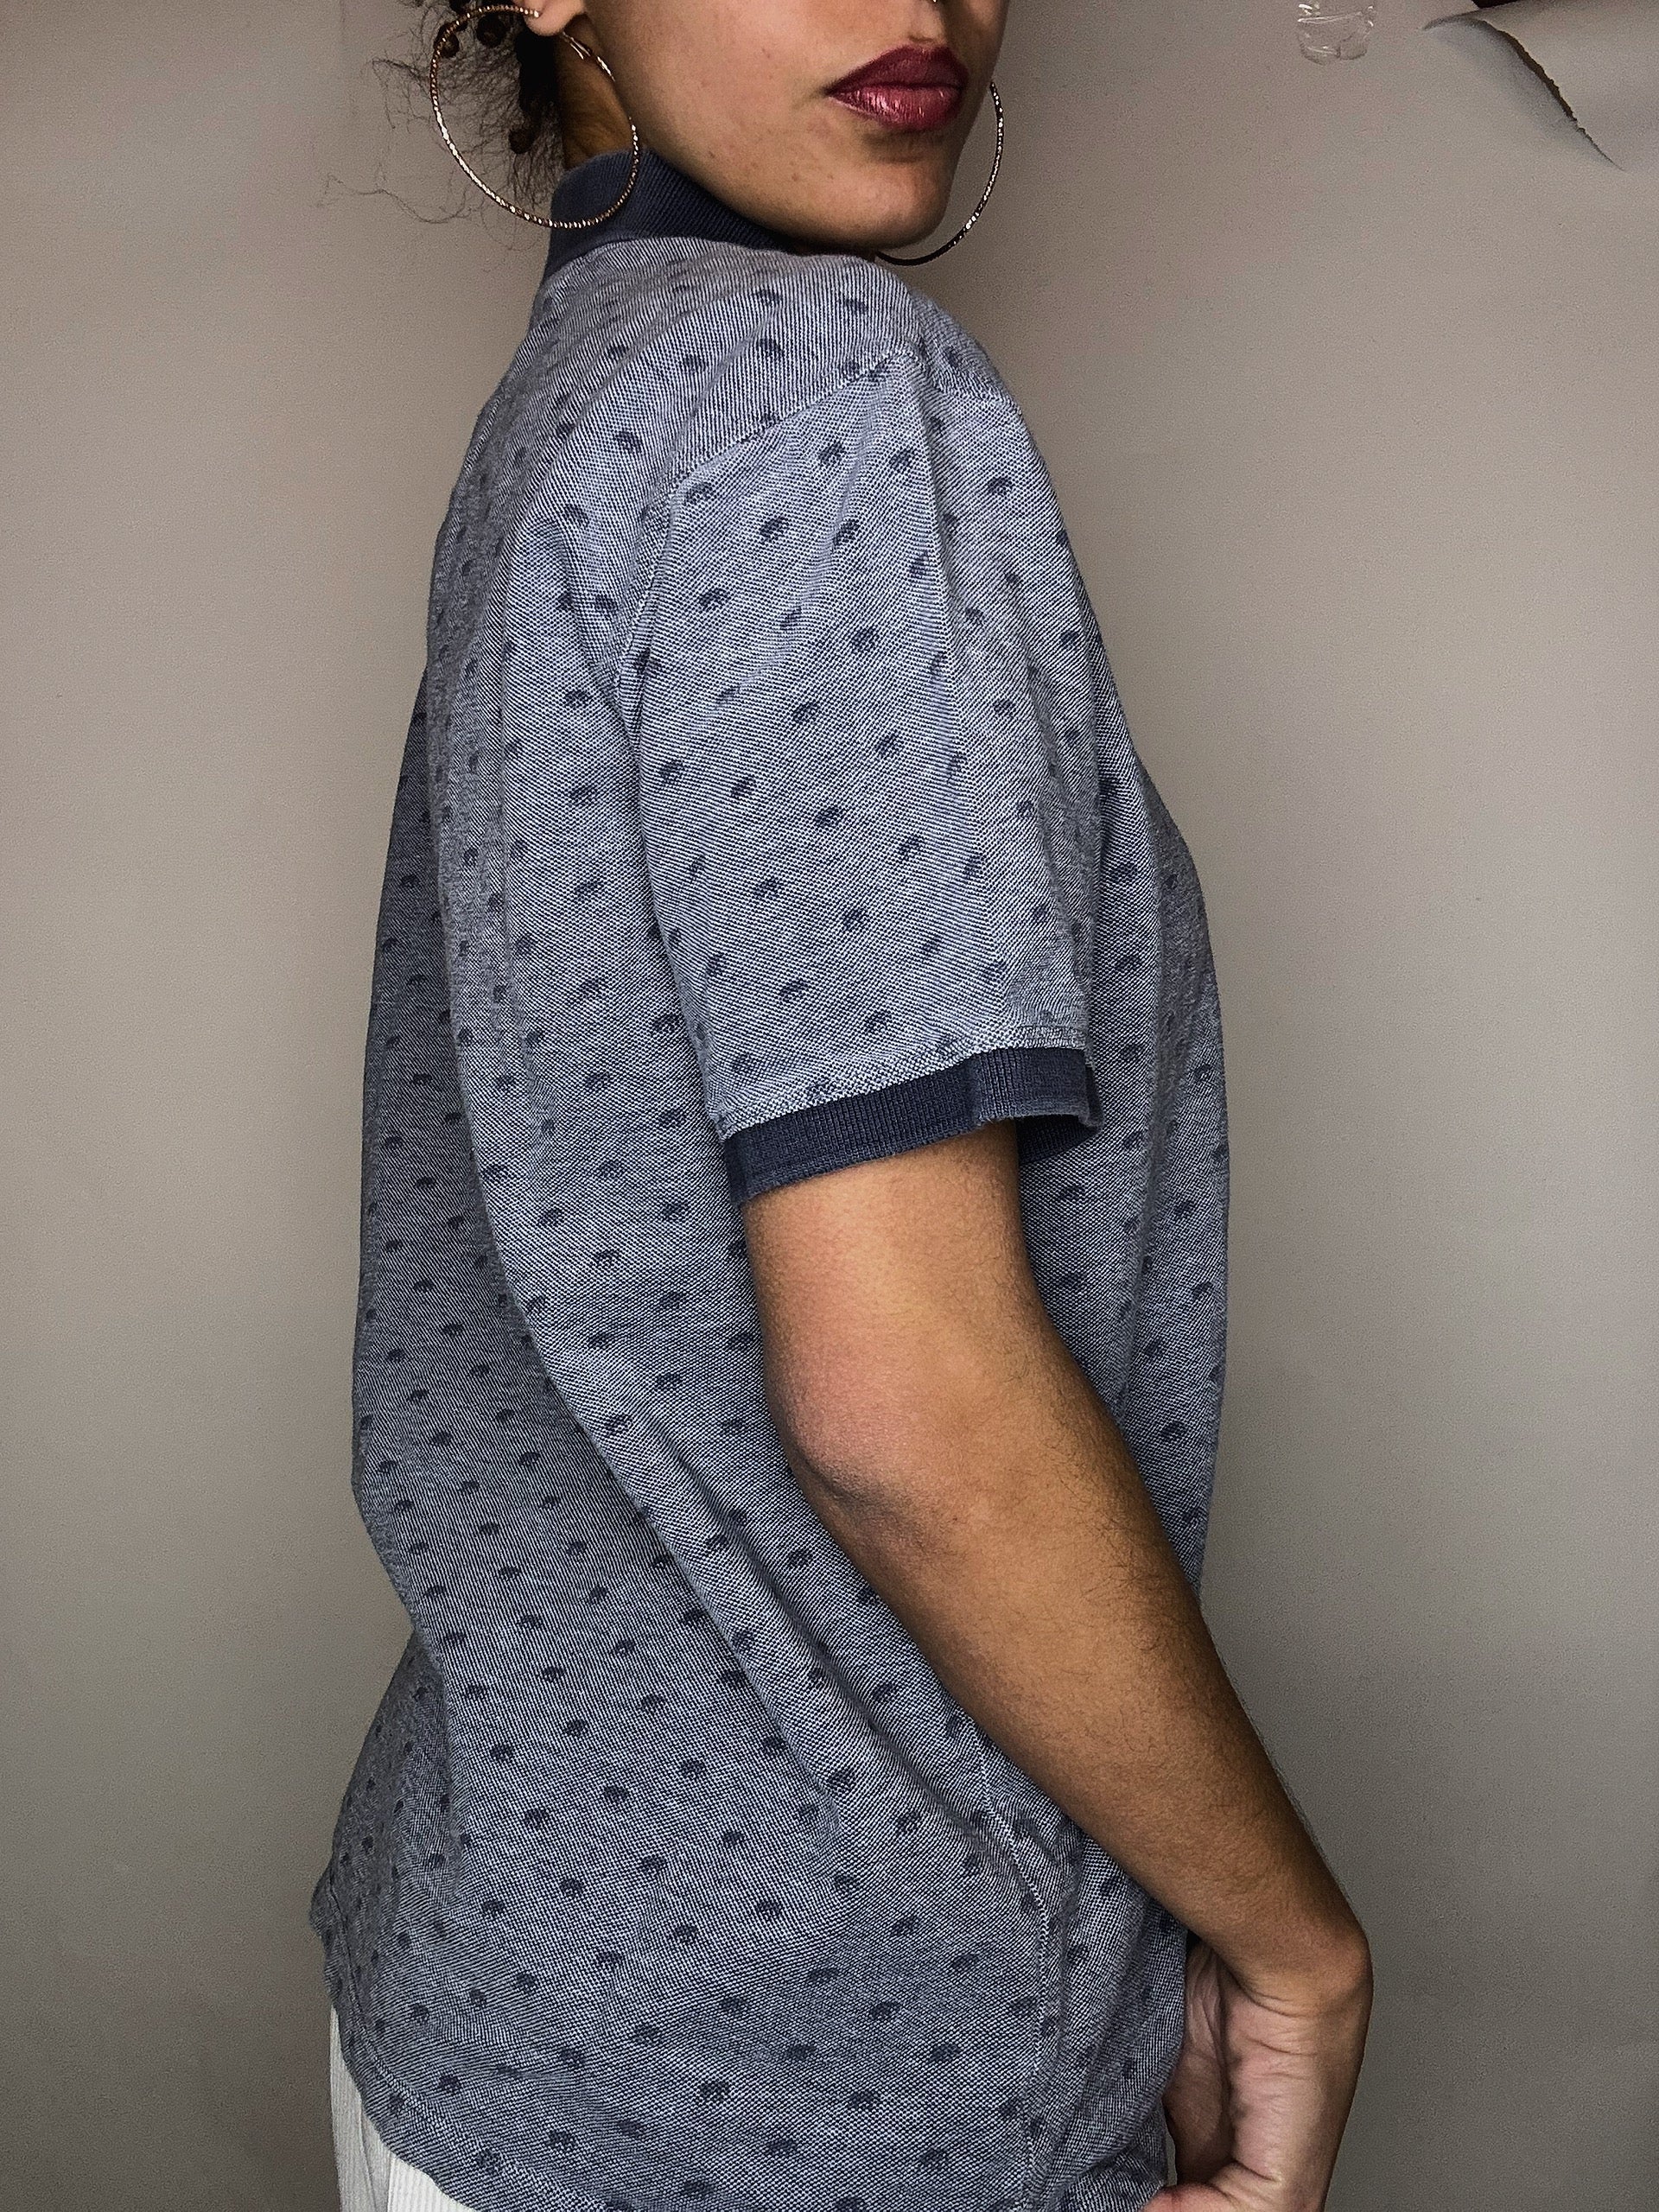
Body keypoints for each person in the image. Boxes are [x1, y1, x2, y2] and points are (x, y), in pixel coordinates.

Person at [311, 5, 1373, 2210]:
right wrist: (1295, 1948)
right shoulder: (811, 390)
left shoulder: (585, 397)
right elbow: (908, 1408)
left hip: (502, 1997)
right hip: (829, 2078)